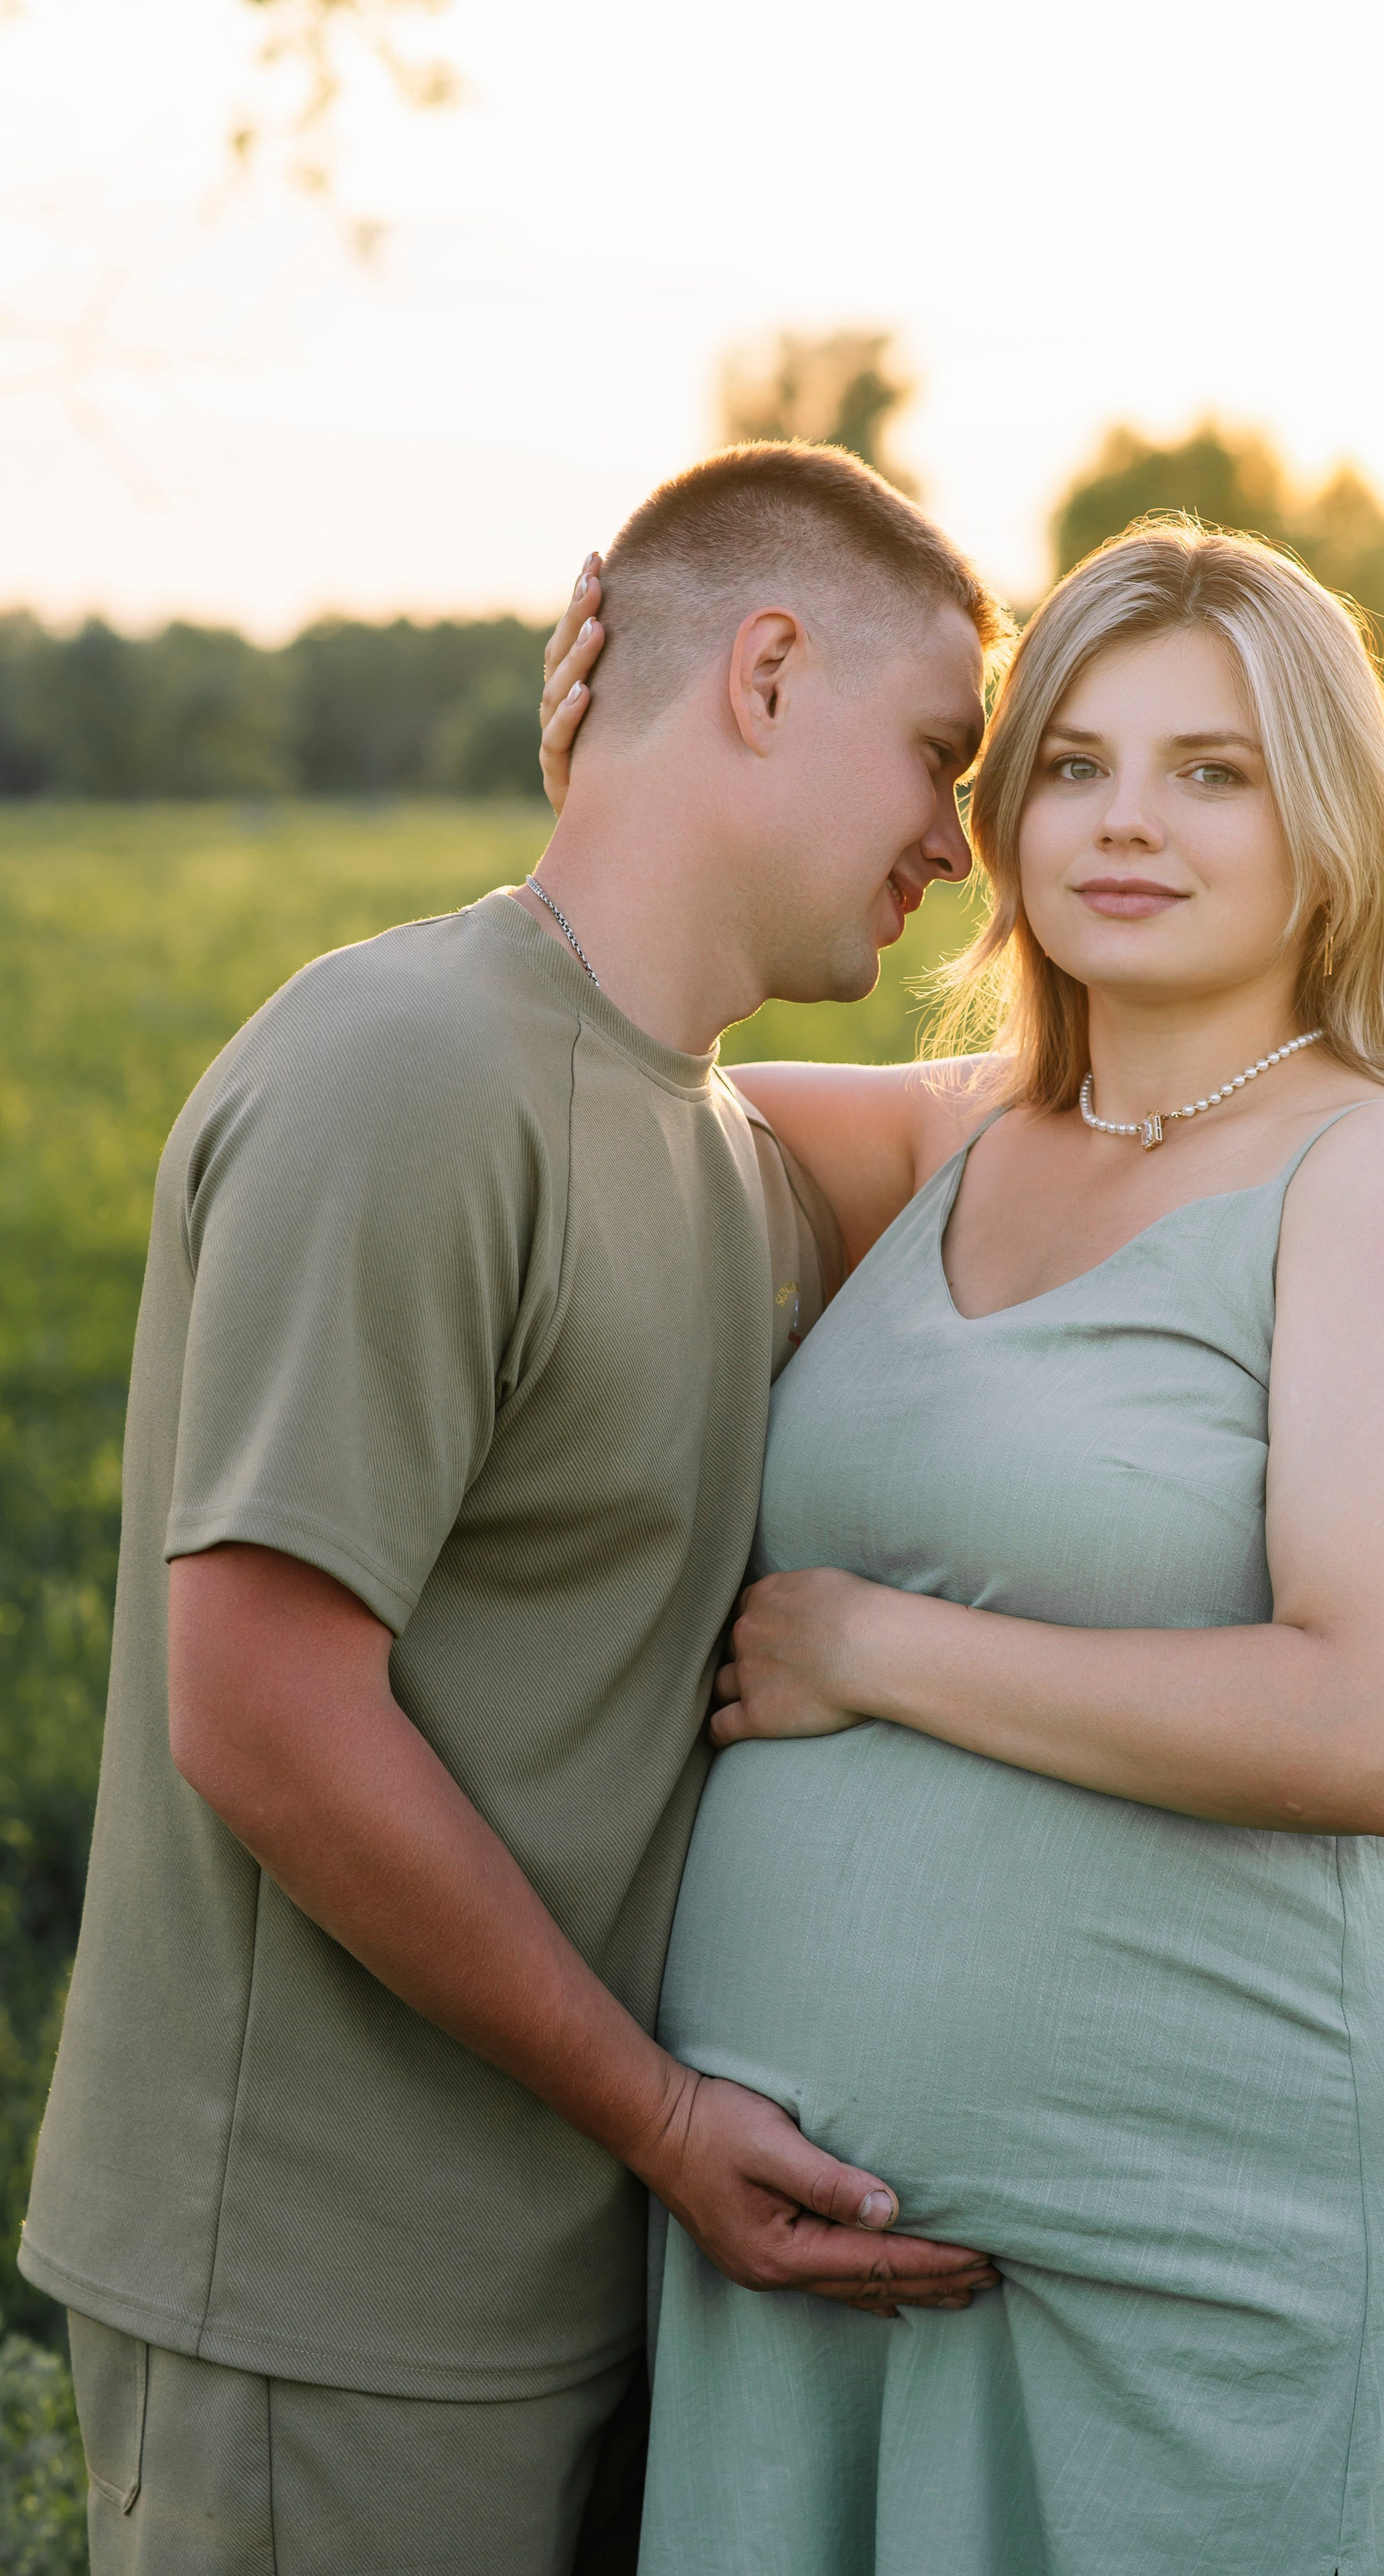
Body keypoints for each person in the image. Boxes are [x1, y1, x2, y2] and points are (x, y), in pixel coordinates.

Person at [540, 519, 1384, 2573]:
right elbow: (574, 1069)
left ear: (1335, 824)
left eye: (1215, 771)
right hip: (822, 2266)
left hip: (1234, 2246)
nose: (1128, 822)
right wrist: (624, 784)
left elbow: (1371, 1721)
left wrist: (870, 1651)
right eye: (1075, 763)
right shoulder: (932, 1139)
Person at [19, 442, 1012, 2575]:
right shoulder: (404, 1071)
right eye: (942, 752)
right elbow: (265, 1711)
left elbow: (1041, 1111)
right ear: (763, 671)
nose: (963, 840)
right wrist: (660, 2119)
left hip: (573, 2278)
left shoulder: (716, 1149)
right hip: (325, 2304)